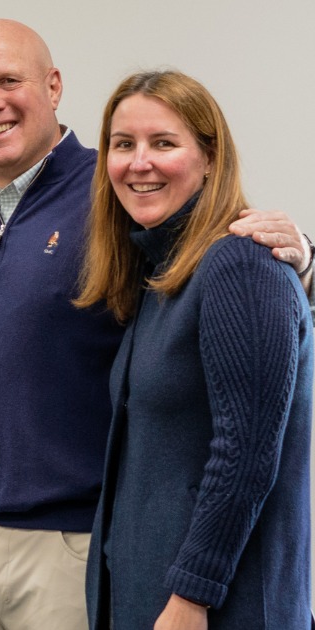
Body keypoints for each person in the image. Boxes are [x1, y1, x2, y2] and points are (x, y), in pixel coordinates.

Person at [0, 19, 313, 630]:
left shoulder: (116, 198)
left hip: (79, 544)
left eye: (9, 80)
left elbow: (247, 445)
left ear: (53, 86)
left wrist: (303, 257)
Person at [74, 70, 312, 630]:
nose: (139, 163)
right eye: (123, 144)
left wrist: (192, 596)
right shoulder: (161, 276)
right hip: (152, 597)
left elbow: (248, 448)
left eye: (163, 143)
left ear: (209, 156)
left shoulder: (239, 265)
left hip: (213, 608)